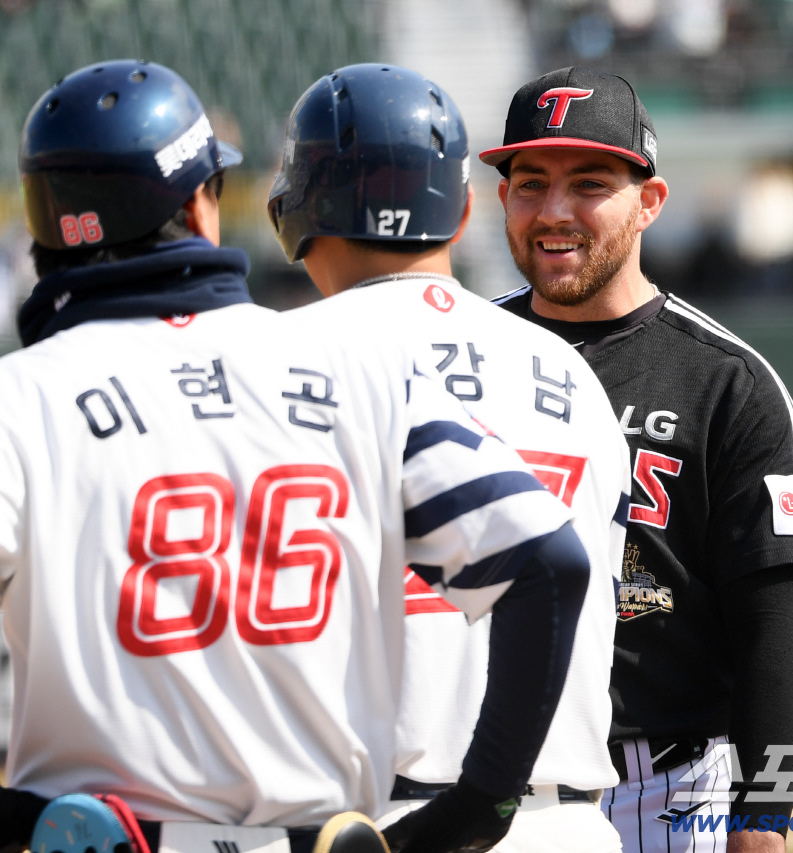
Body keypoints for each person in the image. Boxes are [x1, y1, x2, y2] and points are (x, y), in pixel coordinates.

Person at [0, 60, 592, 853]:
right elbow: (546, 561)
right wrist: (479, 804)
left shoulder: (5, 399)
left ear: (44, 217)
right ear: (198, 205)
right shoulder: (357, 372)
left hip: (108, 837)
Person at [267, 63, 631, 853]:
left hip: (371, 826)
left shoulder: (274, 364)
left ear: (293, 209)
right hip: (567, 822)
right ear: (463, 209)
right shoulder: (568, 371)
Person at [482, 67, 793, 853]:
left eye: (590, 184)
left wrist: (764, 819)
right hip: (475, 787)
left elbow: (774, 630)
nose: (554, 210)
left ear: (650, 202)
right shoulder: (459, 358)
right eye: (531, 183)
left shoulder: (727, 382)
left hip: (664, 792)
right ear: (502, 198)